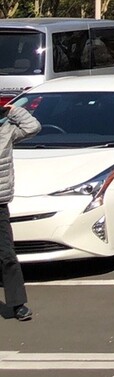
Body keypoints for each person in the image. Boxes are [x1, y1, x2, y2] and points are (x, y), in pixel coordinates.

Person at [0, 100, 41, 321]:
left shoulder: (7, 129)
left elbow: (33, 127)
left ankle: (18, 305)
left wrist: (12, 110)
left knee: (7, 256)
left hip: (0, 203)